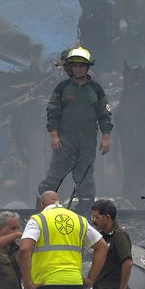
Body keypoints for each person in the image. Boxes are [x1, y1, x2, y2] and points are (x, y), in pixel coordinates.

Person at [37, 47, 112, 214]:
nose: (78, 68)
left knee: (85, 177)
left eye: (82, 65)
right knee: (55, 175)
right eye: (75, 65)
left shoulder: (96, 89)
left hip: (87, 140)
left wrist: (106, 136)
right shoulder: (62, 88)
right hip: (65, 140)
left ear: (87, 67)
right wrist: (54, 135)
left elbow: (104, 113)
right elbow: (53, 111)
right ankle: (40, 214)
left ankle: (86, 218)